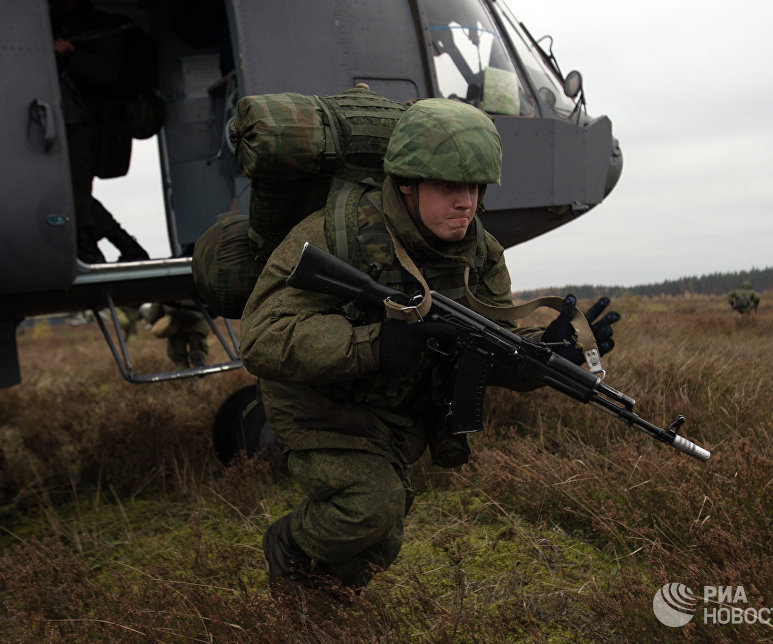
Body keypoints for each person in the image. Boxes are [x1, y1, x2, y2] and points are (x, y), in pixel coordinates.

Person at [239, 98, 619, 591]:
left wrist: (543, 353)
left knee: (378, 545)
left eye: (475, 188)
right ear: (406, 184)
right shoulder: (338, 235)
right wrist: (373, 344)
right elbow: (262, 337)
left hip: (391, 407)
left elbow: (485, 347)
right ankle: (287, 543)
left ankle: (314, 604)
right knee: (369, 505)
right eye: (448, 186)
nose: (466, 202)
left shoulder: (479, 254)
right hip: (317, 402)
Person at [50, 0, 154, 263]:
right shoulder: (56, 22)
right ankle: (123, 246)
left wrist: (70, 55)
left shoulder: (101, 27)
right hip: (67, 119)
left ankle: (93, 248)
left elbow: (105, 73)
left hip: (83, 120)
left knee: (75, 188)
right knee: (74, 190)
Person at [144, 301, 209, 370]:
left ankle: (187, 379)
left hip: (176, 325)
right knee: (198, 348)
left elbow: (153, 313)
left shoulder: (164, 290)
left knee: (179, 357)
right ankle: (199, 363)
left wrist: (155, 319)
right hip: (197, 324)